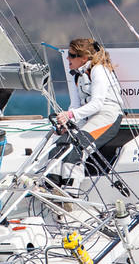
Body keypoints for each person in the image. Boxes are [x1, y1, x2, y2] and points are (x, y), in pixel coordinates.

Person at [45, 37, 126, 182]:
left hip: (107, 114)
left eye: (72, 55)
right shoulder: (76, 75)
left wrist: (70, 115)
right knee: (59, 147)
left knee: (77, 148)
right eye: (68, 54)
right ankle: (52, 188)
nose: (67, 57)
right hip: (87, 116)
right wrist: (68, 120)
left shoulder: (99, 70)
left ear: (84, 58)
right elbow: (75, 105)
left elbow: (97, 104)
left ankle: (71, 193)